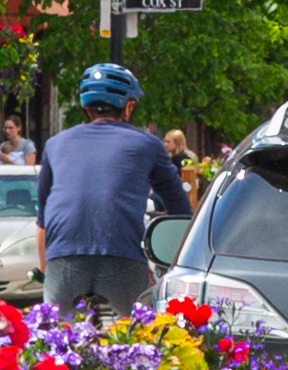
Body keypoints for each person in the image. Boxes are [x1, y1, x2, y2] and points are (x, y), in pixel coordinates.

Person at [36, 64, 189, 316]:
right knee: (136, 338)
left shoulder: (55, 144)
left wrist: (45, 267)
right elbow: (179, 209)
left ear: (86, 108)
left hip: (63, 255)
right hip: (122, 253)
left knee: (58, 337)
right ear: (128, 106)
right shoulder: (147, 144)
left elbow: (42, 221)